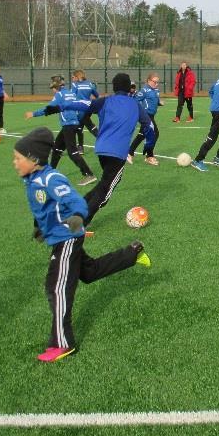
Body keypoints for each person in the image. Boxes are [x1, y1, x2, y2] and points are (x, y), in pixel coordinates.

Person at [12, 127, 151, 363]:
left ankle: (64, 343)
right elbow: (45, 208)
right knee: (89, 272)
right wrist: (40, 228)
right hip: (60, 237)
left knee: (56, 287)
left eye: (18, 158)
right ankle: (132, 254)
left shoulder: (50, 178)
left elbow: (76, 201)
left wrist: (76, 217)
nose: (14, 163)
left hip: (68, 237)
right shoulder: (33, 179)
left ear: (34, 160)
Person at [42, 73, 149, 225]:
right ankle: (78, 223)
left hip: (101, 149)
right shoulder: (135, 105)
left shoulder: (104, 101)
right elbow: (148, 126)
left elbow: (82, 104)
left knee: (103, 184)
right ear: (128, 88)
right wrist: (146, 143)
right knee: (105, 191)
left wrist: (59, 106)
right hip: (118, 153)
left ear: (114, 87)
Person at [25, 76, 97, 185]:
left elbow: (48, 109)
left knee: (72, 152)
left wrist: (33, 114)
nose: (53, 90)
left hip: (68, 125)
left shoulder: (59, 95)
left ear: (57, 87)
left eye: (53, 88)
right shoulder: (71, 93)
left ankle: (89, 174)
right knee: (57, 148)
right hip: (72, 124)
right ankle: (49, 173)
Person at [129, 73, 163, 165]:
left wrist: (159, 103)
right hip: (146, 115)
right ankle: (149, 156)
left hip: (151, 115)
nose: (156, 84)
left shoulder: (156, 90)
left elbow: (153, 101)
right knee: (155, 133)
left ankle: (129, 152)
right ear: (148, 81)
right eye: (154, 82)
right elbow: (136, 100)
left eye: (158, 82)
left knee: (142, 134)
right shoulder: (144, 90)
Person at [71, 70, 99, 149]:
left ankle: (103, 141)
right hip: (88, 108)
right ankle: (80, 147)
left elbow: (72, 97)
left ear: (77, 77)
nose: (72, 78)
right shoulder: (90, 84)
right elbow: (96, 95)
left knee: (81, 127)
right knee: (83, 126)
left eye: (73, 77)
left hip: (80, 109)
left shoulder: (75, 85)